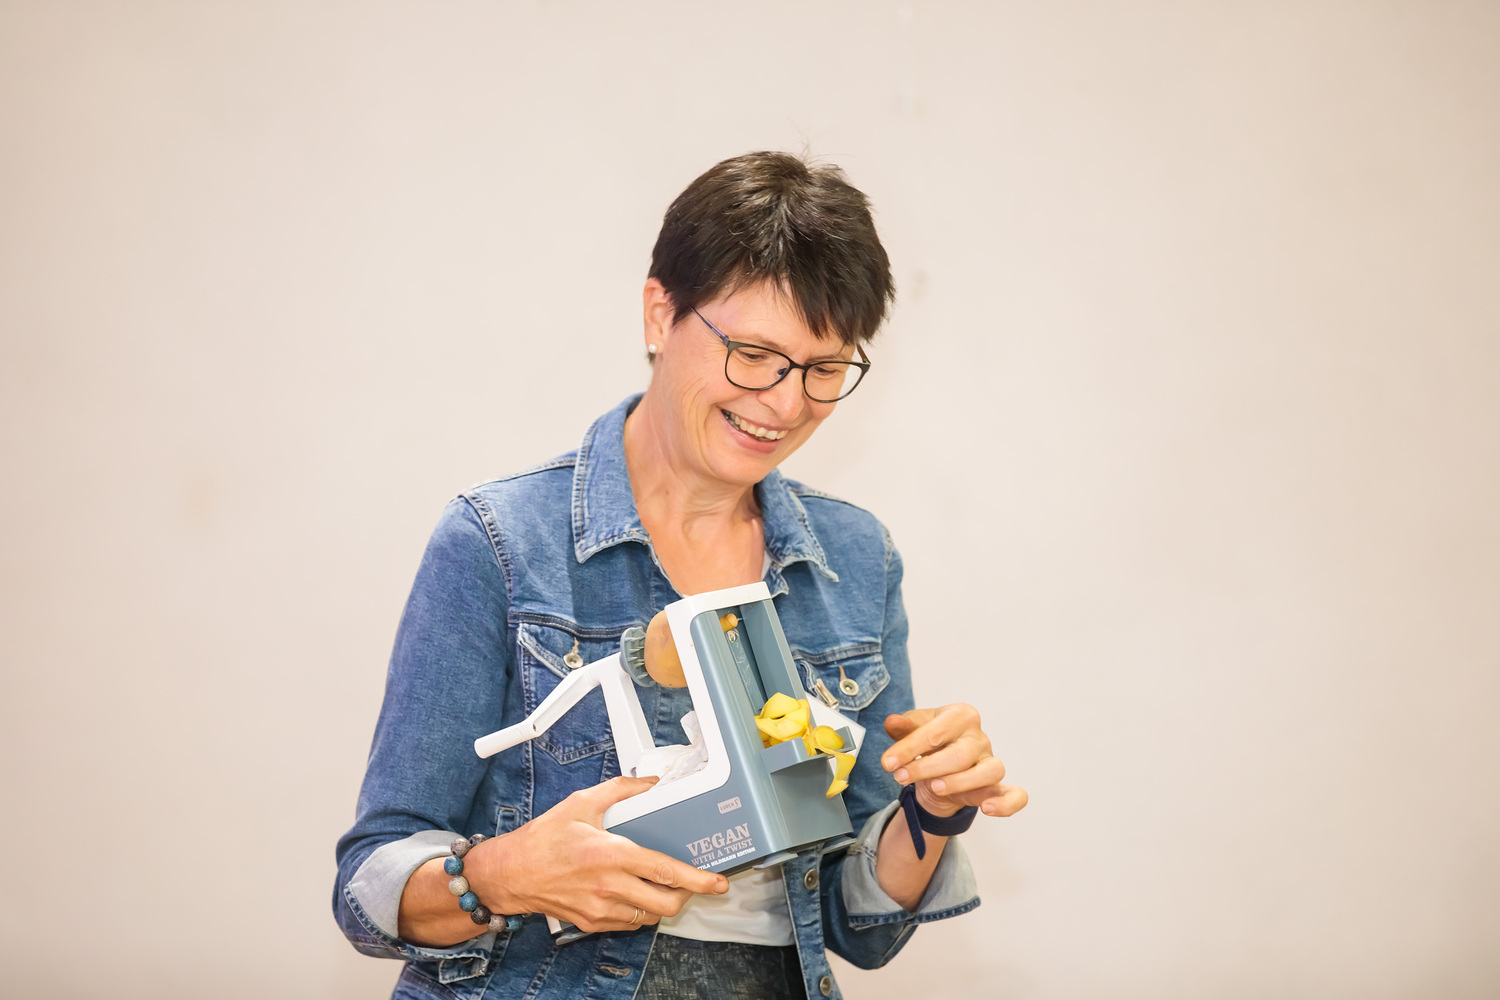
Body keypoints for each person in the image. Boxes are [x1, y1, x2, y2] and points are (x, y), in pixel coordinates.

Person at [333, 151, 1028, 1000]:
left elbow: (858, 925)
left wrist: (933, 808)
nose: (784, 403)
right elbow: (369, 885)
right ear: (660, 314)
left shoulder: (856, 559)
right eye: (754, 354)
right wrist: (502, 875)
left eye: (823, 369)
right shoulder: (500, 541)